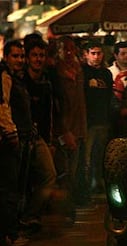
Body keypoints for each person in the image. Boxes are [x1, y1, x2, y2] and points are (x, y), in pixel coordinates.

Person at [20, 36, 58, 233]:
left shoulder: (47, 81)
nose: (38, 59)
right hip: (19, 136)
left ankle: (31, 215)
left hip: (39, 137)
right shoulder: (20, 80)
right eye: (34, 55)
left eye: (41, 55)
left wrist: (49, 140)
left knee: (48, 175)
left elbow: (49, 113)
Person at [53, 36, 88, 225]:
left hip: (78, 128)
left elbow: (80, 103)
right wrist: (64, 131)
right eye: (64, 49)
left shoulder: (78, 70)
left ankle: (69, 208)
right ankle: (66, 211)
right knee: (64, 172)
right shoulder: (55, 72)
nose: (68, 52)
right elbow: (58, 106)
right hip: (63, 130)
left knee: (73, 171)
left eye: (71, 48)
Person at [0, 40, 31, 246]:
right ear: (6, 56)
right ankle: (10, 233)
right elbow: (3, 107)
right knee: (8, 188)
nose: (19, 60)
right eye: (15, 56)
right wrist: (11, 133)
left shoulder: (14, 77)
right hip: (6, 140)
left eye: (21, 56)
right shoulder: (4, 77)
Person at [82, 40, 113, 194]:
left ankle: (97, 182)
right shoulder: (83, 72)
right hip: (88, 121)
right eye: (93, 53)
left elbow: (109, 97)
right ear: (86, 54)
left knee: (100, 155)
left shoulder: (106, 74)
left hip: (103, 120)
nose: (96, 57)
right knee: (86, 156)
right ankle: (87, 185)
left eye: (99, 53)